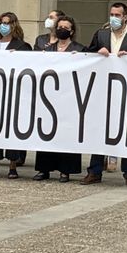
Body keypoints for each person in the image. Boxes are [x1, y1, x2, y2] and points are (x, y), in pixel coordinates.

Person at [83, 3, 127, 186]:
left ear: (125, 17)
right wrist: (97, 52)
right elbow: (87, 56)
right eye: (111, 14)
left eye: (117, 15)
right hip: (103, 91)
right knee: (100, 129)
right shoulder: (101, 35)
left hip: (126, 92)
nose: (114, 17)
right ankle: (95, 170)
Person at [32, 14, 84, 182]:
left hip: (69, 97)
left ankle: (65, 170)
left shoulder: (80, 49)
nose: (62, 30)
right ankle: (44, 169)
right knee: (46, 132)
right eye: (60, 27)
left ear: (72, 31)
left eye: (66, 28)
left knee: (67, 133)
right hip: (49, 97)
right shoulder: (48, 49)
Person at [0, 12, 32, 177]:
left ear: (14, 25)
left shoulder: (22, 46)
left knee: (11, 128)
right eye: (1, 23)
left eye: (7, 23)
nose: (4, 26)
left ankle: (13, 165)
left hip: (14, 93)